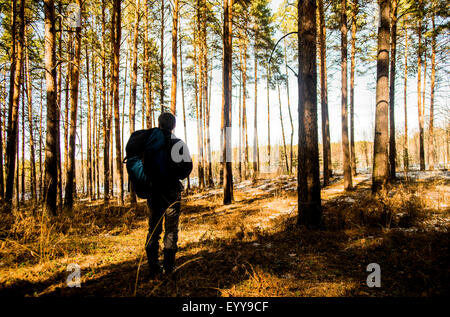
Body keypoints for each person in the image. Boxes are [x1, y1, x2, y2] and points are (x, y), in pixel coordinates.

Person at [144, 112, 192, 278]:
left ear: (159, 125)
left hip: (153, 192)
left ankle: (153, 268)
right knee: (171, 231)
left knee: (153, 230)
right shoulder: (178, 143)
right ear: (173, 126)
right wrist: (175, 175)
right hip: (172, 193)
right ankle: (169, 268)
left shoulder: (149, 145)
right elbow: (187, 168)